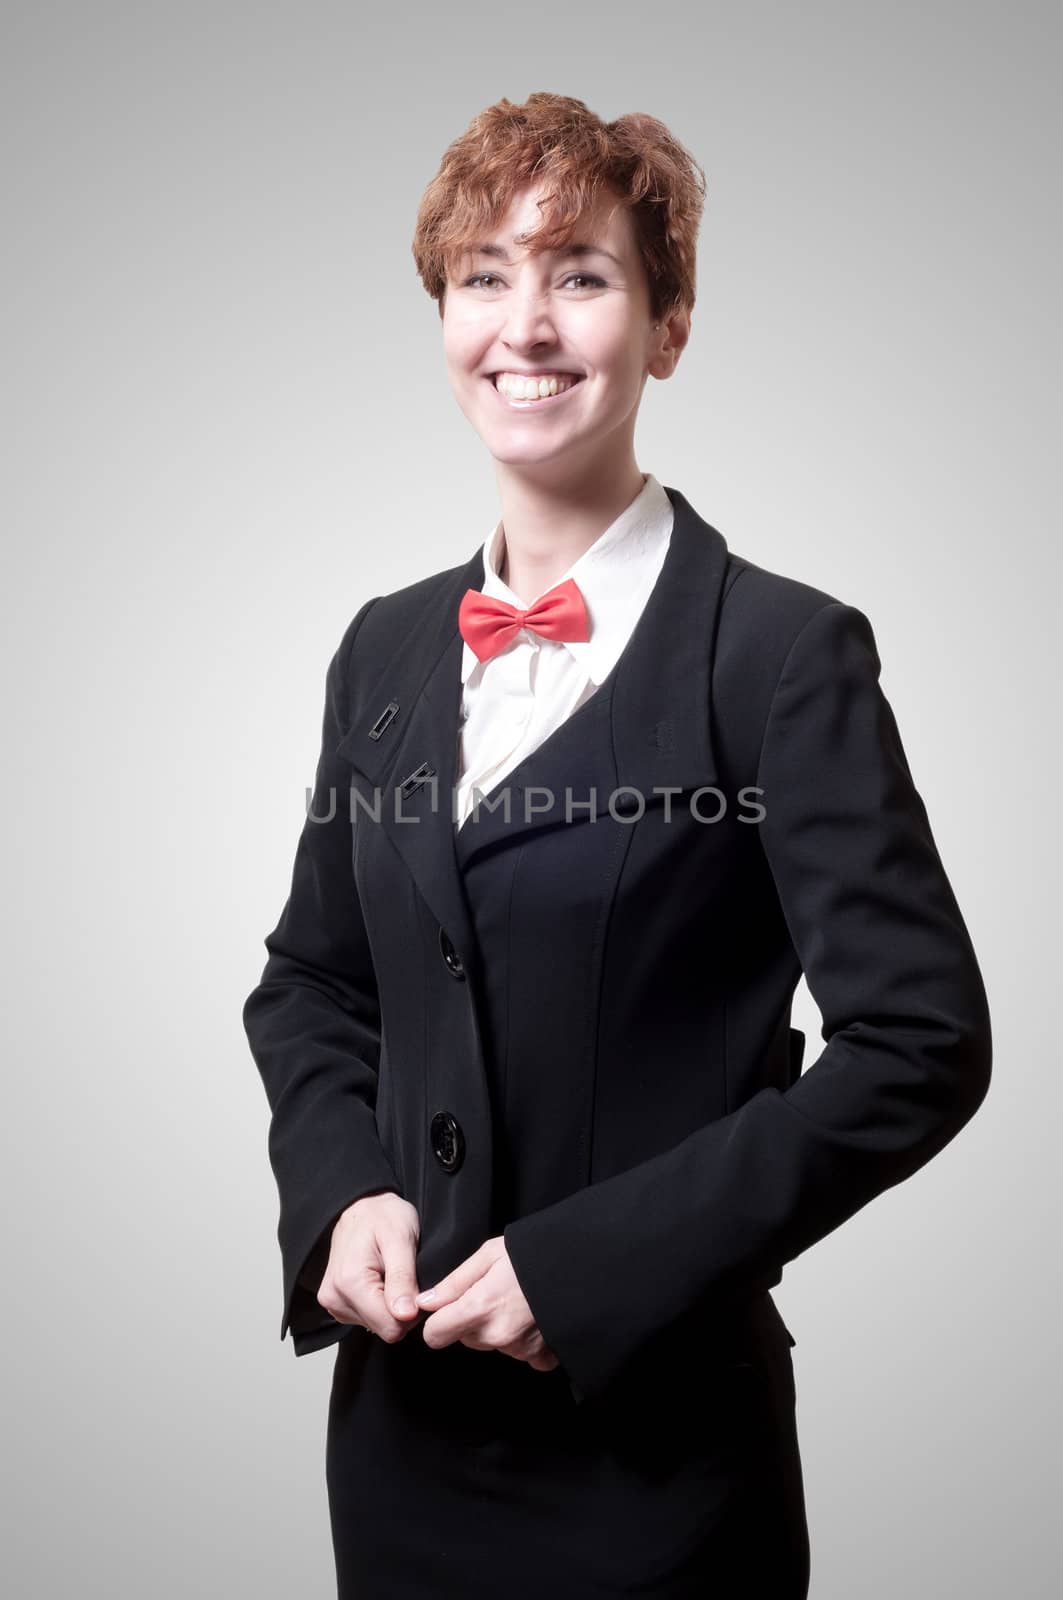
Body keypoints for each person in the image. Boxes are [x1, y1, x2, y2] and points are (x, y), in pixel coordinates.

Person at [242, 92, 992, 1599]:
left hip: (658, 1463)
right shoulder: (382, 653)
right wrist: (341, 1194)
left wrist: (589, 1270)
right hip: (398, 1447)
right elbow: (314, 982)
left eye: (580, 273)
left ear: (670, 324)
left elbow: (922, 1042)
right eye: (482, 278)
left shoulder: (779, 655)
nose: (526, 325)